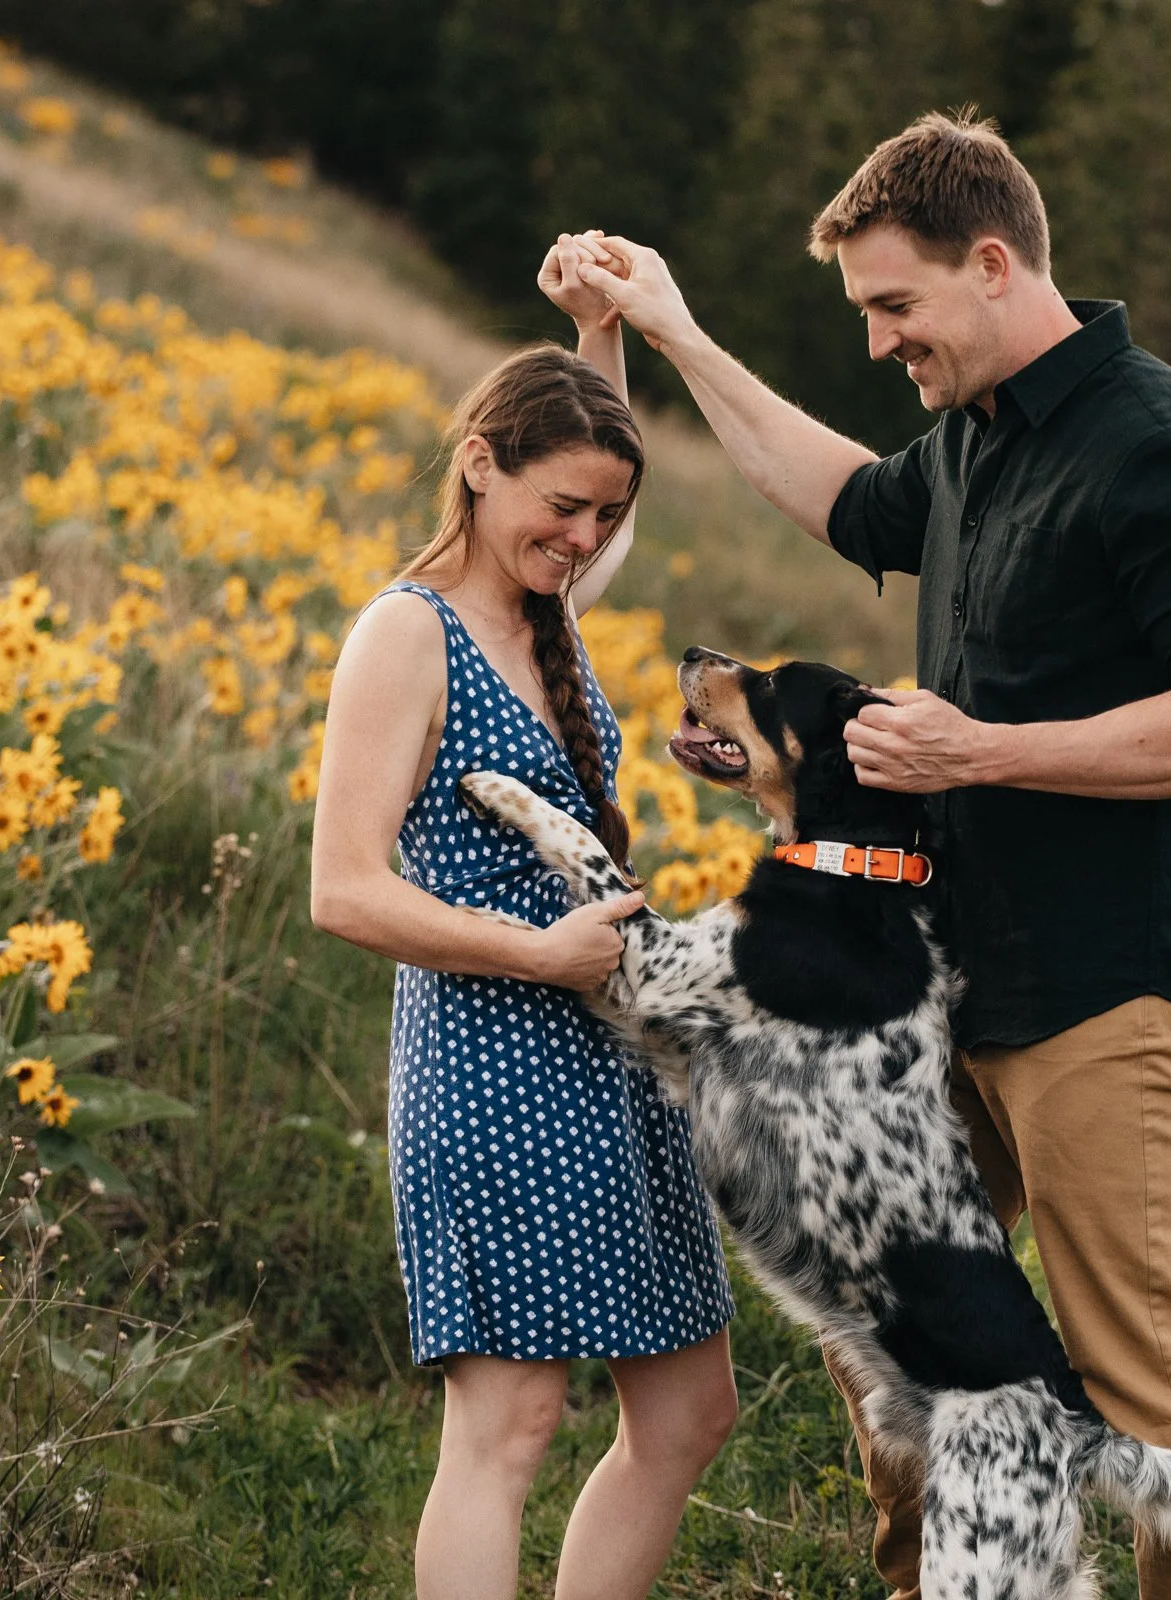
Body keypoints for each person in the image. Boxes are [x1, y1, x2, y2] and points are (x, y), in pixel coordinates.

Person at [566, 114, 1171, 1600]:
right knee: (884, 1331)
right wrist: (670, 330)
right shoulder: (976, 435)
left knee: (1154, 1381)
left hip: (1102, 989)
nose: (880, 343)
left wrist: (981, 750)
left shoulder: (1164, 449)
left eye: (894, 308)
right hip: (929, 991)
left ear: (993, 266)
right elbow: (845, 495)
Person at [308, 243, 738, 1600]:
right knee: (510, 1429)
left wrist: (596, 336)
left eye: (605, 521)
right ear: (480, 463)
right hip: (490, 1052)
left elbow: (584, 465)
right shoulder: (409, 632)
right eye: (563, 510)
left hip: (616, 1062)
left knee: (687, 1416)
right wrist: (540, 954)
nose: (584, 540)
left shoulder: (540, 608)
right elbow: (344, 888)